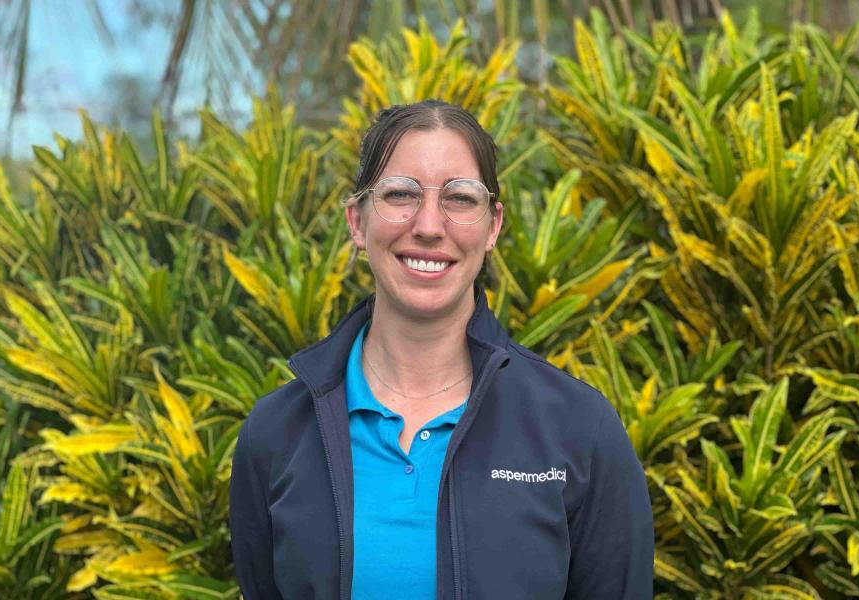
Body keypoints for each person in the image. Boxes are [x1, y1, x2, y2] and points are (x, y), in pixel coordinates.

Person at [229, 100, 654, 599]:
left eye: (460, 198)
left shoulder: (580, 430)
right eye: (400, 194)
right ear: (357, 222)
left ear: (493, 225)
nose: (429, 225)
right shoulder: (277, 433)